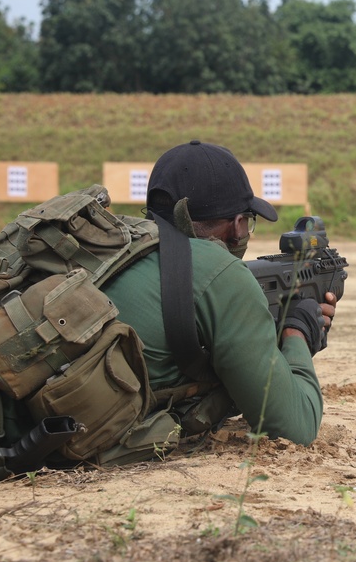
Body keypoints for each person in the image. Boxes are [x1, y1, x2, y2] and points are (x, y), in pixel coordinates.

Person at [100, 139, 335, 445]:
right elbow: (296, 427)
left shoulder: (113, 247)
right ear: (238, 225)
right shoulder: (221, 274)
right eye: (248, 222)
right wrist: (297, 332)